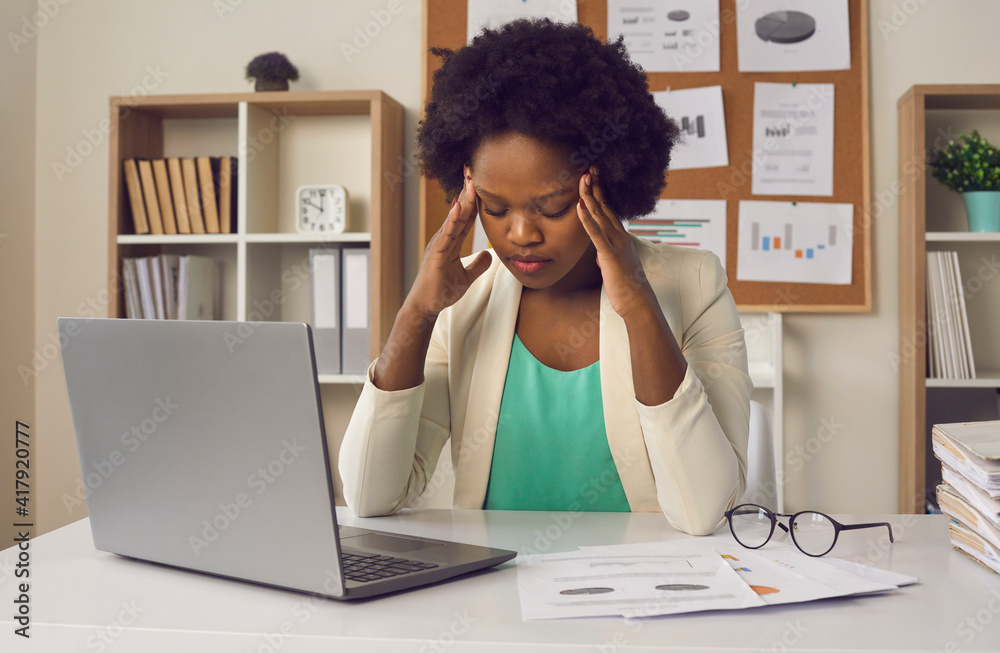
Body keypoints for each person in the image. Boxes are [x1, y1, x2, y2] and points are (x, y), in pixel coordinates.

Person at [339, 18, 751, 536]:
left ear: (604, 182)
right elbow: (370, 496)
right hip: (495, 582)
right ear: (467, 186)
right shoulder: (464, 301)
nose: (520, 234)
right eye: (494, 207)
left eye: (552, 208)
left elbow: (703, 509)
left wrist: (637, 304)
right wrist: (417, 314)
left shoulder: (695, 284)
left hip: (641, 582)